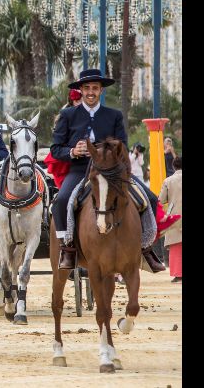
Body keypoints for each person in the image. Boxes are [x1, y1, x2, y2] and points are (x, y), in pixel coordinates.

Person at [50, 69, 164, 272]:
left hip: (111, 171)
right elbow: (56, 149)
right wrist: (73, 151)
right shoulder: (67, 115)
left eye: (95, 88)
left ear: (101, 90)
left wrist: (104, 152)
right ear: (81, 90)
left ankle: (146, 249)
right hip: (79, 170)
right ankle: (67, 249)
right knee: (61, 201)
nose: (91, 92)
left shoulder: (114, 115)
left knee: (151, 199)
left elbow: (123, 144)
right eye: (87, 88)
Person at [44, 89, 83, 188]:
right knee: (63, 197)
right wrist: (73, 151)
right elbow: (58, 145)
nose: (81, 103)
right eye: (77, 100)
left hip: (92, 162)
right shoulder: (65, 116)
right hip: (67, 162)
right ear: (72, 101)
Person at [159, 155, 182, 282]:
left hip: (174, 214)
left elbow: (161, 200)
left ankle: (178, 274)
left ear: (173, 166)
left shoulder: (168, 180)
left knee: (176, 245)